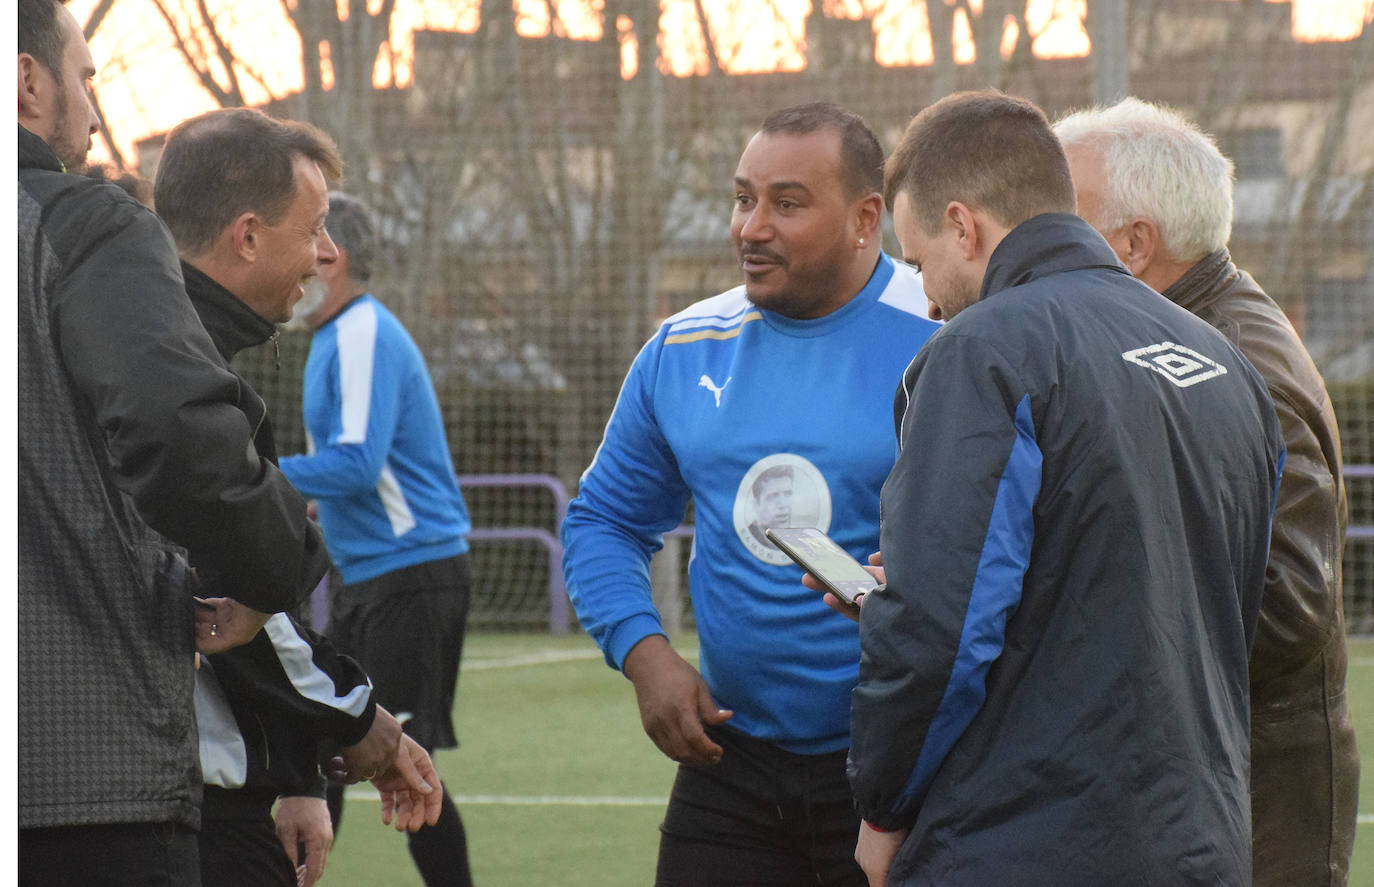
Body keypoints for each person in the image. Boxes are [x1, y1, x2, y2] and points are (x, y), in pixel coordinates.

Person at [847, 90, 1284, 886]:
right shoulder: (1223, 361)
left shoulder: (985, 352)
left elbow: (938, 631)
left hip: (1025, 842)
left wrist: (883, 807)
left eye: (916, 264)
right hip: (1203, 841)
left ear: (962, 225)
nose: (929, 298)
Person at [561, 102, 939, 886]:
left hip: (906, 770)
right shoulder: (684, 345)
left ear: (867, 216)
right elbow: (604, 519)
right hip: (729, 763)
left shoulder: (946, 339)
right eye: (743, 198)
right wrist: (645, 651)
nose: (751, 227)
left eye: (787, 203)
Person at [17, 1, 330, 882]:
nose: (94, 104)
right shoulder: (85, 226)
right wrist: (284, 562)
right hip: (75, 778)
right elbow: (181, 443)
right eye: (84, 76)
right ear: (25, 80)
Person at [1053, 97, 1359, 887]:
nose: (1037, 237)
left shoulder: (1235, 363)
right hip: (1195, 785)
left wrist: (1065, 619)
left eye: (1059, 215)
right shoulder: (1157, 336)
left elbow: (1287, 608)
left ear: (1134, 244)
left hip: (1255, 797)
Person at [153, 108, 443, 887]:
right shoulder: (174, 369)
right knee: (419, 768)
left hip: (211, 771)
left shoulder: (189, 347)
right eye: (314, 227)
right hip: (172, 791)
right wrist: (358, 722)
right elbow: (226, 595)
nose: (324, 252)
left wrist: (296, 776)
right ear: (247, 235)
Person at [277, 191, 476, 887]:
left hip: (413, 573)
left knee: (371, 748)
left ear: (332, 254)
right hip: (379, 576)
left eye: (302, 238)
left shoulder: (361, 330)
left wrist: (256, 478)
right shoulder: (335, 336)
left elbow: (358, 462)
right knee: (361, 747)